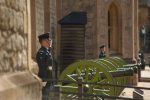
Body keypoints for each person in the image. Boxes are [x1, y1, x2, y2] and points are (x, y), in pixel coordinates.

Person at [36, 33, 53, 100]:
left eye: (49, 40)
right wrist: (44, 81)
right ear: (43, 41)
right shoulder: (41, 53)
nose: (49, 42)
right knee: (44, 97)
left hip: (48, 79)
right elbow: (42, 67)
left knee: (47, 96)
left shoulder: (46, 51)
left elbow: (48, 62)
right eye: (47, 40)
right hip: (44, 79)